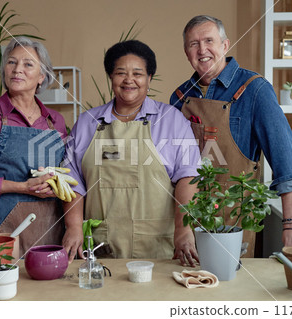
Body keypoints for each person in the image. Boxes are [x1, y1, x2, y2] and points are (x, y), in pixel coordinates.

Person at [170, 15, 292, 257]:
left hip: (236, 219)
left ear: (225, 45)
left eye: (209, 41)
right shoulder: (180, 97)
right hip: (187, 224)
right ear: (186, 52)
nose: (202, 50)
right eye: (193, 44)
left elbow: (285, 160)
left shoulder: (255, 89)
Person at [62, 40, 201, 266]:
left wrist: (183, 230)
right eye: (120, 73)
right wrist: (74, 226)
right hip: (99, 248)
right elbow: (72, 180)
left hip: (158, 249)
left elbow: (188, 176)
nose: (129, 80)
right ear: (111, 78)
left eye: (138, 73)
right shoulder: (88, 122)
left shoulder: (172, 120)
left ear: (149, 79)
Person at [0, 37, 67, 254]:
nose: (17, 70)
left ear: (42, 76)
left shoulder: (55, 121)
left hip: (49, 227)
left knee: (48, 287)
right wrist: (24, 187)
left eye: (28, 64)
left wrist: (54, 184)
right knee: (4, 285)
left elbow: (66, 175)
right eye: (11, 62)